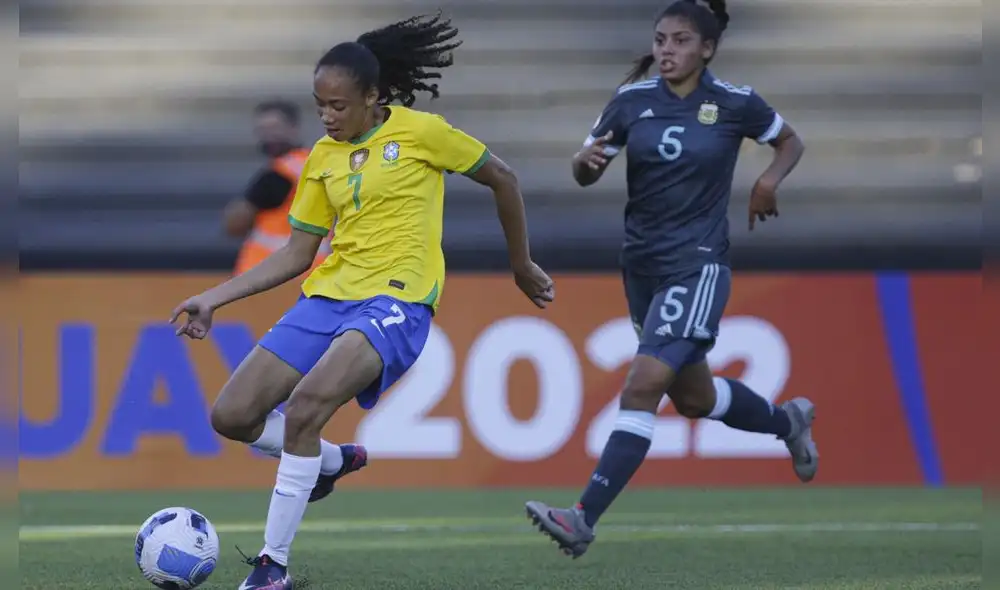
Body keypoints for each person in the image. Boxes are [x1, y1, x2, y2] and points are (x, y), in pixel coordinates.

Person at [170, 13, 554, 590]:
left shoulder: (423, 133)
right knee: (232, 415)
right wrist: (214, 298)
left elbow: (504, 178)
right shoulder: (322, 157)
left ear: (373, 98)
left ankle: (273, 567)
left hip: (397, 300)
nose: (327, 116)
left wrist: (520, 263)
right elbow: (298, 254)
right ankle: (328, 462)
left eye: (339, 105)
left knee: (304, 410)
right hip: (328, 296)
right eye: (320, 104)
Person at [525, 0, 810, 558]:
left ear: (706, 48)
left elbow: (790, 141)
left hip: (697, 263)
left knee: (642, 384)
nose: (667, 51)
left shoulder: (734, 103)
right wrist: (586, 164)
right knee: (696, 398)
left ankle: (582, 517)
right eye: (660, 40)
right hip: (642, 266)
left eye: (680, 41)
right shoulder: (632, 102)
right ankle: (788, 421)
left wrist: (768, 182)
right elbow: (586, 168)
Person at [224, 100, 331, 276]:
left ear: (293, 128)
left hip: (267, 274)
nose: (269, 136)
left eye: (275, 128)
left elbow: (235, 224)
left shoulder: (278, 174)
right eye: (263, 130)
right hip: (311, 272)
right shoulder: (313, 164)